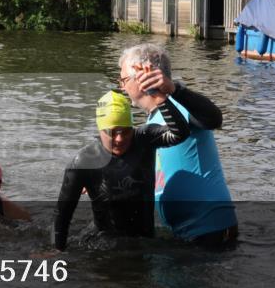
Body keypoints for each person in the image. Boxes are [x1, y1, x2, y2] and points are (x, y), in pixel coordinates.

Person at [118, 43, 238, 247]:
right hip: (183, 234)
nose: (121, 86)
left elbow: (214, 119)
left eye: (124, 80)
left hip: (210, 229)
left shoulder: (181, 106)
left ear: (142, 77)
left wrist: (173, 89)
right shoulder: (152, 123)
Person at [52, 89, 190, 251]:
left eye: (126, 131)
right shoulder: (84, 161)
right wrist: (57, 251)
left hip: (144, 240)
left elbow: (181, 133)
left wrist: (161, 99)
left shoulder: (144, 138)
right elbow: (63, 214)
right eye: (112, 132)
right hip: (102, 245)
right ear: (100, 130)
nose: (120, 139)